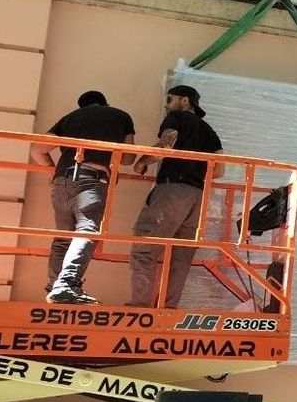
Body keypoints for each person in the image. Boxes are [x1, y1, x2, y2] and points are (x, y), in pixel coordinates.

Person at [29, 90, 135, 304]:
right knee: (87, 230)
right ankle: (66, 285)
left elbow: (37, 150)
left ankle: (55, 286)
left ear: (82, 107)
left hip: (62, 180)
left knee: (63, 237)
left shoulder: (70, 118)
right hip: (91, 179)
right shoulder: (120, 116)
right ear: (105, 104)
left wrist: (53, 170)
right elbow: (128, 158)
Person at [128, 85, 224, 308]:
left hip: (172, 191)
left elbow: (167, 145)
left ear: (184, 100)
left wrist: (142, 161)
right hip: (198, 197)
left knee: (145, 248)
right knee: (181, 259)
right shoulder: (209, 131)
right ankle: (168, 309)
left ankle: (139, 307)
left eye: (169, 99)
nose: (166, 105)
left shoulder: (176, 117)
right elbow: (219, 171)